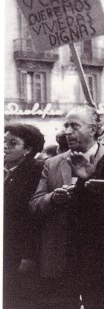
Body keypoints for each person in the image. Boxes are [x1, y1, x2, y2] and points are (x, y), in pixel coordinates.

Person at [30, 105, 104, 308]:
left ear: (93, 129)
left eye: (74, 126)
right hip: (64, 258)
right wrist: (54, 199)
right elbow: (35, 205)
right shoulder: (53, 164)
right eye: (66, 126)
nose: (67, 132)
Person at [4, 123, 45, 308]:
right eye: (4, 141)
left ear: (28, 149)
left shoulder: (35, 171)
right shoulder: (7, 171)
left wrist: (29, 256)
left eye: (13, 143)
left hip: (21, 254)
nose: (5, 147)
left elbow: (33, 218)